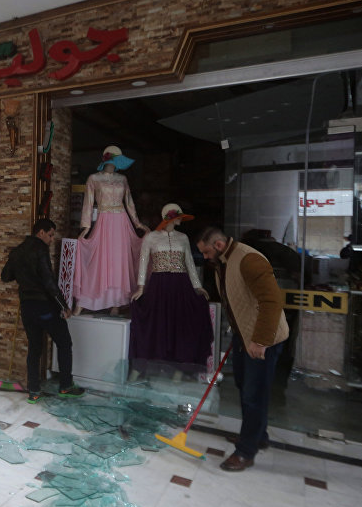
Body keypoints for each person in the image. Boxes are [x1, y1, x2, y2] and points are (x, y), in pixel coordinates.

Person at [196, 227, 289, 472]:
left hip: (263, 339)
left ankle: (246, 451)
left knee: (253, 393)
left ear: (217, 245)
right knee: (244, 386)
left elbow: (272, 301)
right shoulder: (223, 263)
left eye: (206, 252)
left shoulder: (249, 260)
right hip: (243, 336)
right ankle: (259, 435)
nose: (204, 257)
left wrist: (260, 340)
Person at [0, 219, 85, 404]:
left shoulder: (17, 251)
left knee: (35, 348)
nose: (52, 238)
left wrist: (21, 271)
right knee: (64, 342)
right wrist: (64, 306)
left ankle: (34, 391)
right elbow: (49, 282)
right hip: (45, 307)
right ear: (40, 233)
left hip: (28, 309)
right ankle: (65, 385)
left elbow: (5, 276)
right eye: (51, 234)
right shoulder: (40, 250)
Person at [129, 204, 213, 377]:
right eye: (179, 216)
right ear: (171, 217)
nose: (182, 219)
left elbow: (189, 262)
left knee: (181, 325)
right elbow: (144, 262)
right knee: (155, 324)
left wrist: (197, 286)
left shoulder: (183, 238)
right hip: (158, 285)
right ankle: (140, 368)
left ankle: (179, 372)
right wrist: (141, 287)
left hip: (181, 285)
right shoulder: (151, 237)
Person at [73, 146, 148, 316]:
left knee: (119, 261)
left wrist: (137, 223)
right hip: (104, 219)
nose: (115, 165)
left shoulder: (123, 179)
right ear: (107, 160)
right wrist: (85, 227)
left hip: (122, 221)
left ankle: (117, 302)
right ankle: (85, 300)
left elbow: (129, 201)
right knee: (98, 260)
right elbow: (88, 202)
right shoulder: (94, 178)